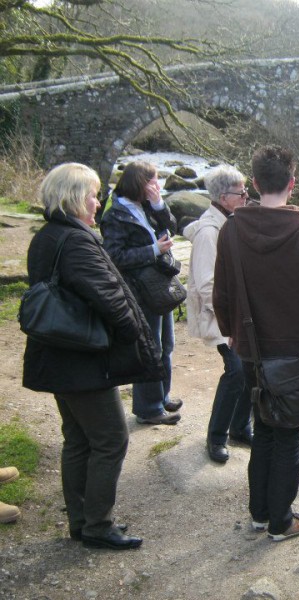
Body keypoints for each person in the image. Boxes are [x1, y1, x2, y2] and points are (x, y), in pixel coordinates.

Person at [213, 145, 299, 541]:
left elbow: (220, 295)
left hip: (250, 350)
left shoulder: (232, 228)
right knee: (288, 435)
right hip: (294, 351)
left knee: (264, 431)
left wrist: (231, 331)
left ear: (255, 184)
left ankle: (260, 514)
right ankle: (280, 522)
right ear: (292, 183)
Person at [22, 163, 163, 549]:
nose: (98, 202)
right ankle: (98, 526)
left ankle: (82, 521)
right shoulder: (77, 240)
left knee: (79, 439)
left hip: (59, 354)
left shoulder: (48, 235)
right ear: (73, 197)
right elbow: (108, 297)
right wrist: (130, 333)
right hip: (82, 359)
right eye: (92, 194)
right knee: (110, 439)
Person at [101, 161, 182, 426]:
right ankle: (148, 409)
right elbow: (114, 256)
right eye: (154, 180)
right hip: (139, 288)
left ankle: (162, 395)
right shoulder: (115, 214)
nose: (157, 185)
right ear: (140, 182)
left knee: (166, 345)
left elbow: (171, 224)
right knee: (151, 347)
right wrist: (153, 251)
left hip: (157, 285)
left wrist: (160, 205)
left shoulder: (147, 204)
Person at [184, 166, 253, 464]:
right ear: (224, 197)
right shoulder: (209, 231)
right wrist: (231, 323)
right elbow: (206, 284)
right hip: (223, 317)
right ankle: (216, 437)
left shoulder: (231, 221)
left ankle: (240, 427)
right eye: (242, 193)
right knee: (236, 371)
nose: (247, 196)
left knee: (248, 369)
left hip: (238, 315)